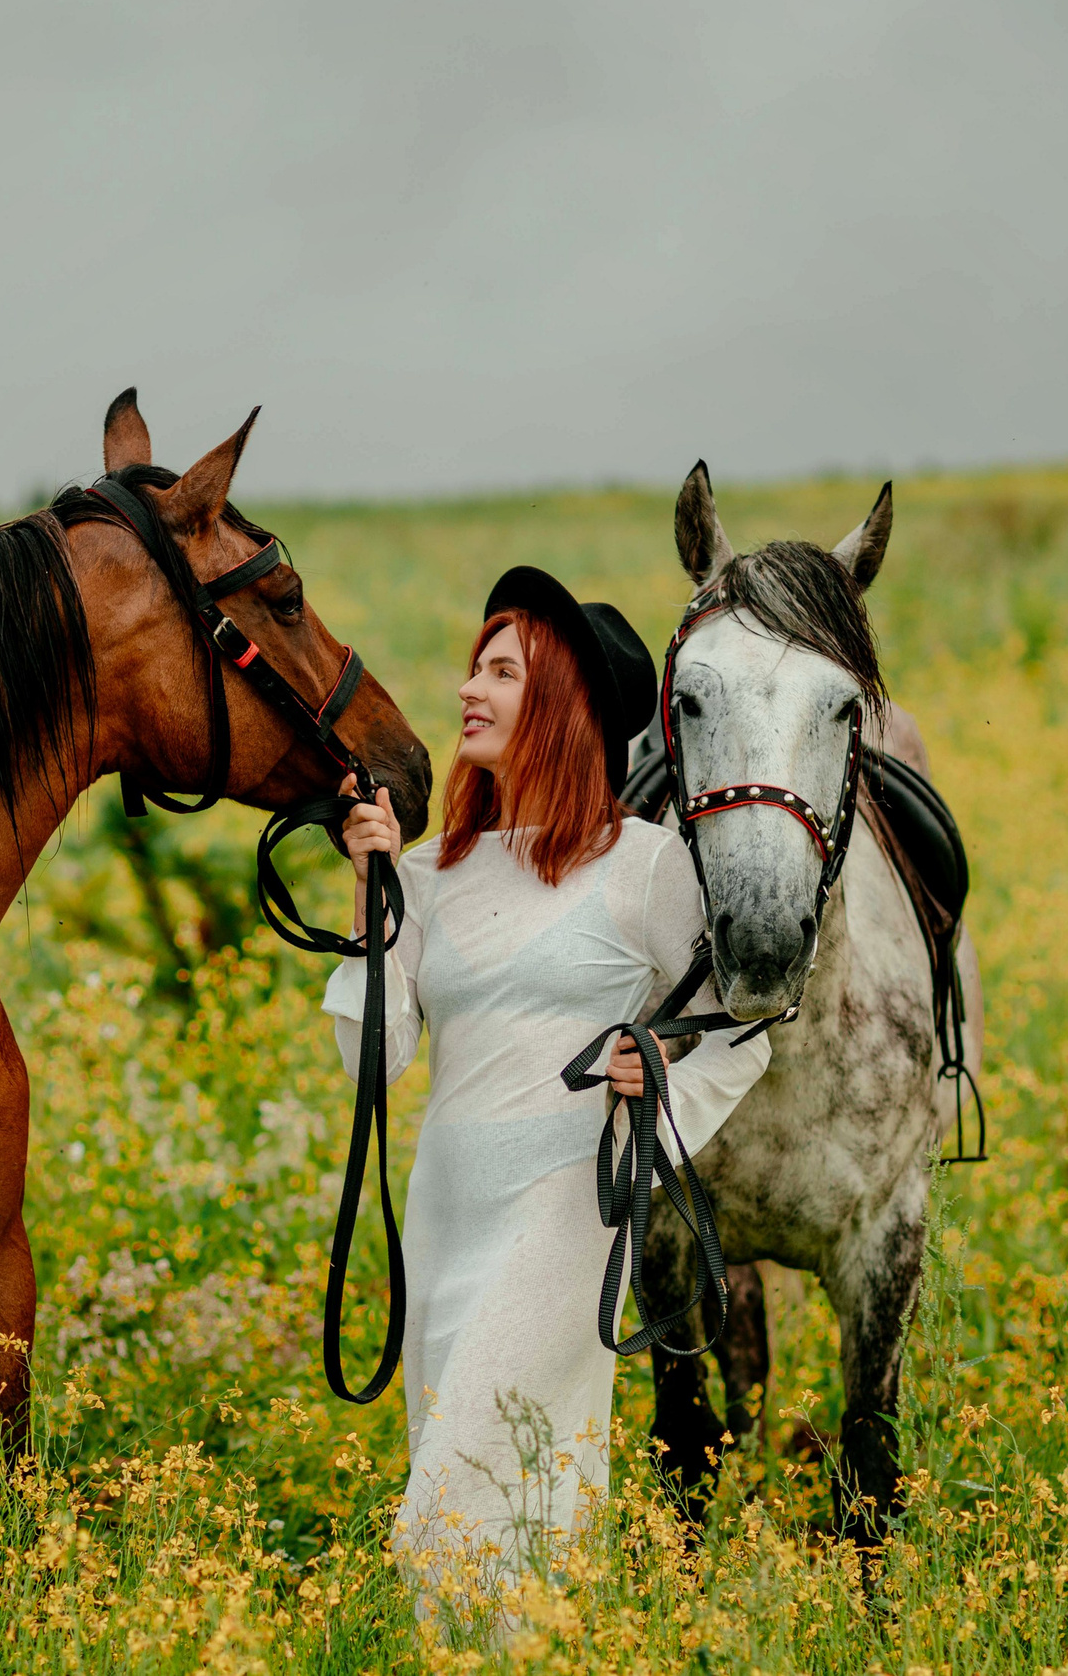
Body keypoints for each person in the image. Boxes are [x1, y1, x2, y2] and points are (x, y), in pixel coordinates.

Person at [324, 566, 771, 1593]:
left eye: (501, 672)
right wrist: (373, 896)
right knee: (517, 1509)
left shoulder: (647, 867)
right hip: (446, 1211)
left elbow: (743, 1032)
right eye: (473, 668)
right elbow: (371, 1062)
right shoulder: (430, 871)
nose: (468, 691)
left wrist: (657, 1089)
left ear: (562, 707)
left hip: (566, 1209)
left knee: (447, 1512)